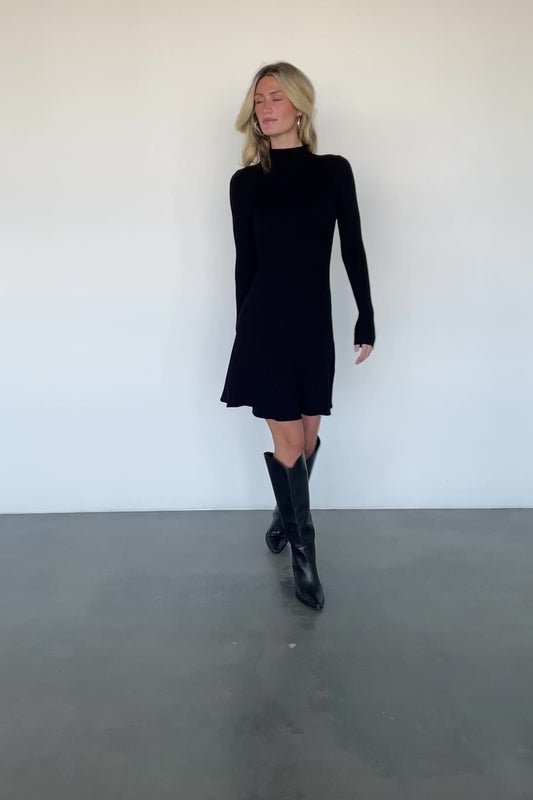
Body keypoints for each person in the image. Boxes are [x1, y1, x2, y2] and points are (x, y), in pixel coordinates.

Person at [220, 62, 376, 611]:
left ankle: (283, 516)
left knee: (307, 443)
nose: (266, 108)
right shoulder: (245, 183)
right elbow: (245, 263)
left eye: (276, 98)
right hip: (264, 326)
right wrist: (242, 331)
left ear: (300, 107)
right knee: (288, 445)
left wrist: (366, 314)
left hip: (313, 325)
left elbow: (352, 246)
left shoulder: (333, 171)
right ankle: (305, 559)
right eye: (259, 99)